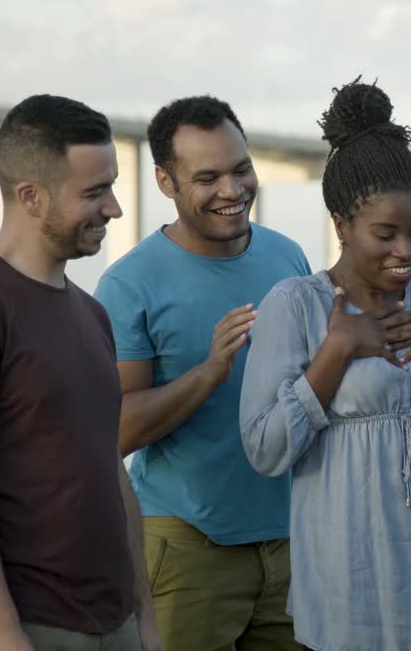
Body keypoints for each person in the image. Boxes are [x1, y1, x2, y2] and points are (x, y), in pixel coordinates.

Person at [239, 78, 411, 651]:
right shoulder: (296, 305)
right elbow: (264, 450)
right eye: (385, 234)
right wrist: (334, 354)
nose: (406, 250)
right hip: (348, 605)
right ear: (341, 224)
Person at [0, 94, 162, 651]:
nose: (115, 208)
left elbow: (109, 469)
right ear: (30, 196)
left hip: (109, 622)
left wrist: (142, 617)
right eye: (95, 192)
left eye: (113, 187)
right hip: (9, 623)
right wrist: (1, 628)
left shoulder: (91, 313)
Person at [93, 96, 310, 651]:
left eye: (241, 170)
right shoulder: (128, 284)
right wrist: (209, 373)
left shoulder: (289, 258)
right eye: (207, 177)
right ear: (166, 182)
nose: (232, 191)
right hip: (187, 548)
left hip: (294, 543)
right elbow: (115, 431)